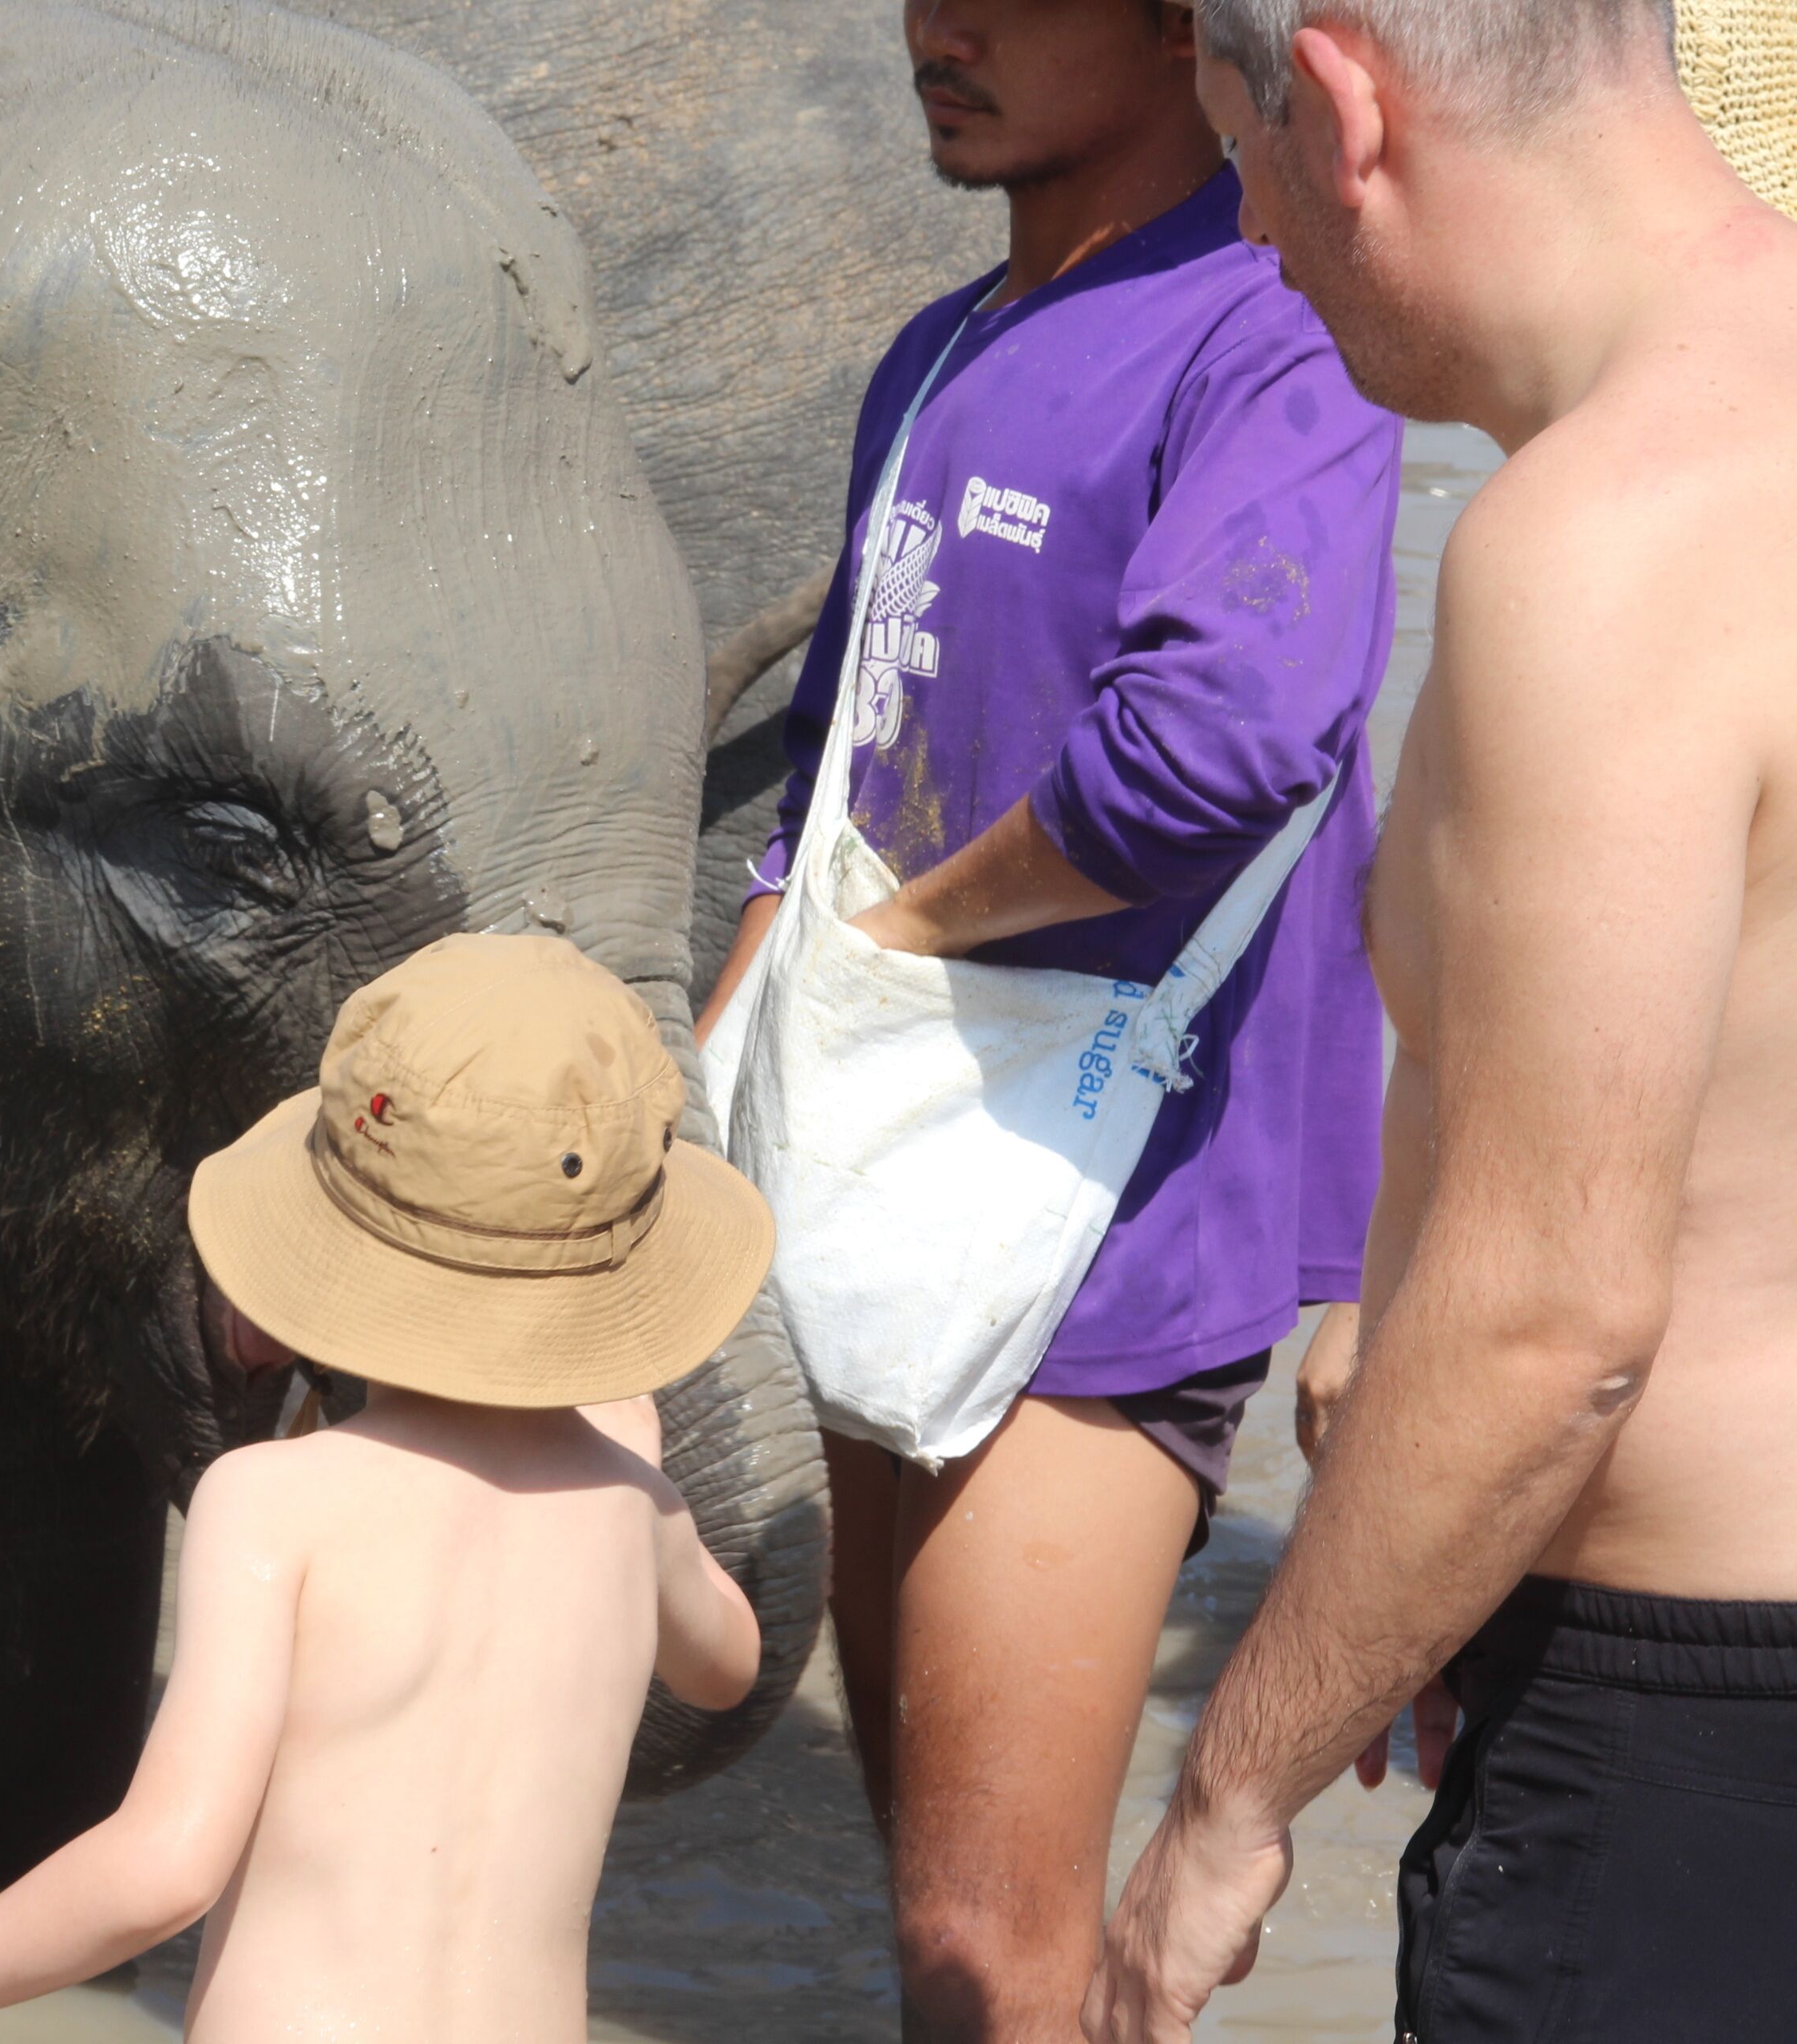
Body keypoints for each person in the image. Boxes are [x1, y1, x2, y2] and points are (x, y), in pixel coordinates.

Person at [1087, 3, 1797, 2039]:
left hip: (1692, 1753)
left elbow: (1553, 1323)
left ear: (1337, 104)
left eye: (1238, 151)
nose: (1247, 227)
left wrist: (1230, 1793)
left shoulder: (1596, 549)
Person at [691, 0, 1399, 2030]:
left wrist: (923, 923)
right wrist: (698, 1128)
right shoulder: (936, 354)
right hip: (869, 1173)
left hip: (1115, 1221)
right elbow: (827, 785)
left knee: (979, 1949)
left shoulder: (1274, 341)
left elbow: (1219, 741)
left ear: (1187, 26)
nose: (945, 30)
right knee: (947, 1895)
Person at [0, 933, 770, 2044]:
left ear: (333, 1237)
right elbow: (728, 1668)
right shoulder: (635, 1512)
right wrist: (640, 1465)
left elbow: (164, 1869)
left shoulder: (274, 1504)